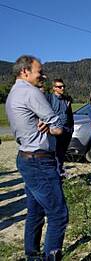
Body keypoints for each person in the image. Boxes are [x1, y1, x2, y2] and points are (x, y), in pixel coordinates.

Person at [5, 55, 67, 260]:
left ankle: (32, 255)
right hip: (40, 161)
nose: (43, 75)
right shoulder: (31, 93)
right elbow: (57, 126)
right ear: (25, 72)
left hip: (26, 157)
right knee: (58, 214)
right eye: (39, 71)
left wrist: (45, 123)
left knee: (35, 211)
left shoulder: (14, 93)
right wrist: (52, 126)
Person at [46, 79, 74, 178]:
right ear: (54, 88)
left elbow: (69, 114)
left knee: (62, 153)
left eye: (63, 86)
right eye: (59, 86)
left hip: (66, 129)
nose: (62, 88)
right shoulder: (49, 98)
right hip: (54, 130)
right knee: (54, 153)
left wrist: (71, 128)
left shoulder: (66, 99)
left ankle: (60, 173)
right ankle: (53, 175)